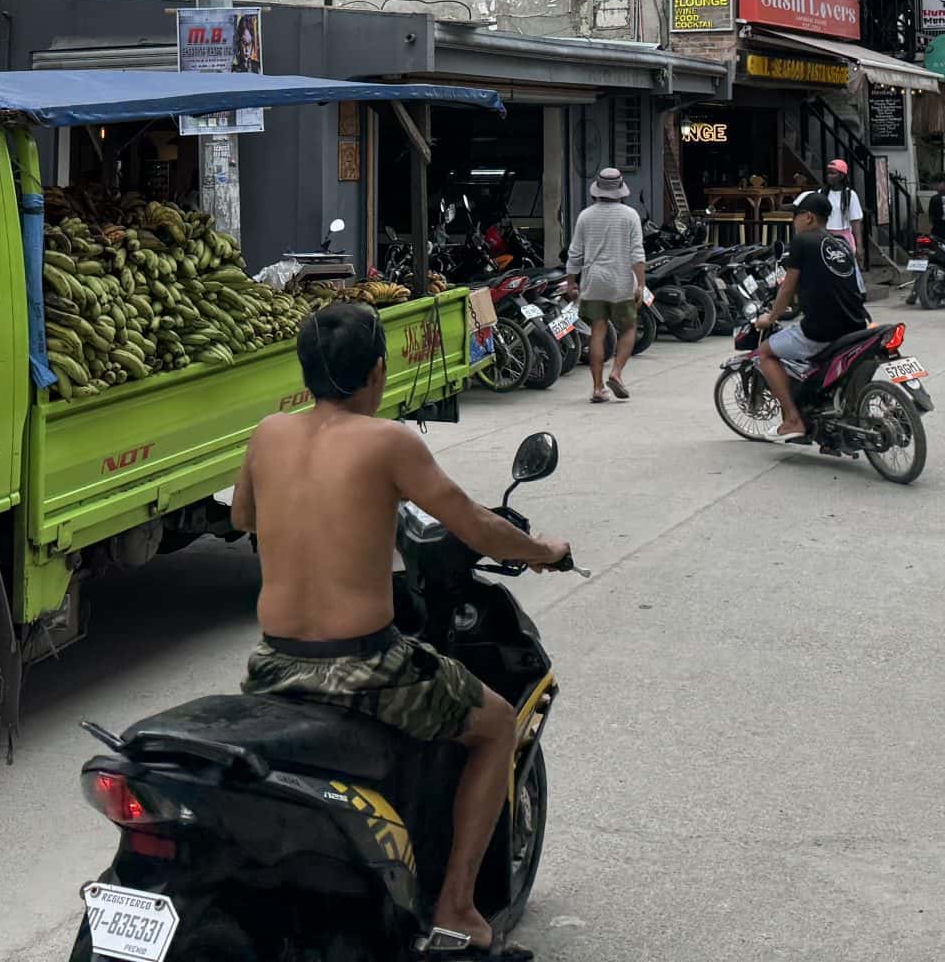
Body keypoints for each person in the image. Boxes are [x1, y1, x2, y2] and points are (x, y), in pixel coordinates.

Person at [231, 304, 571, 952]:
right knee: (498, 725)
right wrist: (545, 550)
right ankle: (458, 906)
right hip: (367, 668)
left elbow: (246, 515)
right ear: (377, 372)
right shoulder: (389, 440)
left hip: (273, 663)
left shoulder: (266, 434)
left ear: (304, 372)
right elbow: (473, 522)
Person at [751, 194, 871, 443]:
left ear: (808, 217)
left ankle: (793, 420)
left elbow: (787, 288)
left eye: (795, 215)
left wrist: (770, 318)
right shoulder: (841, 244)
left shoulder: (803, 240)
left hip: (821, 330)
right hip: (857, 325)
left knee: (764, 353)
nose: (793, 221)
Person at [563, 166, 646, 403]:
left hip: (594, 281)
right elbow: (637, 254)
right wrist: (640, 284)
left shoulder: (585, 216)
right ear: (621, 191)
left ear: (597, 191)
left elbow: (575, 253)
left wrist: (571, 283)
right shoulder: (630, 215)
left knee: (598, 332)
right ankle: (617, 373)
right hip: (621, 282)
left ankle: (598, 388)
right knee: (628, 328)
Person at [795, 158, 866, 262]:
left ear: (842, 176)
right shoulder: (821, 193)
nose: (829, 176)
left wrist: (859, 246)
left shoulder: (850, 195)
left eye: (833, 173)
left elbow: (856, 222)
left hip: (844, 237)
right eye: (828, 173)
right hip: (824, 235)